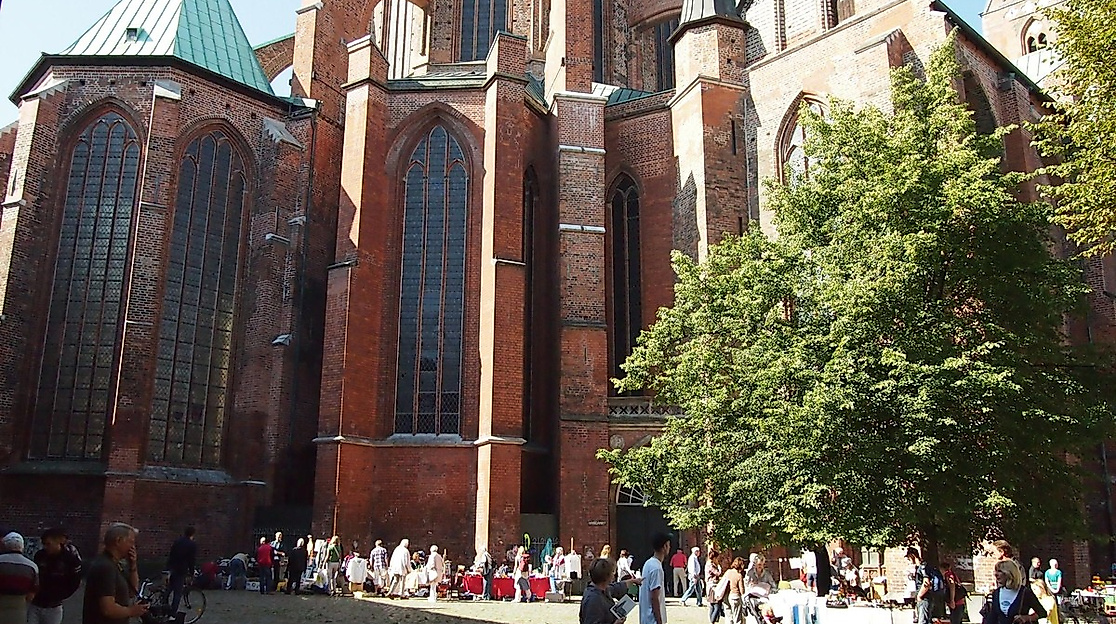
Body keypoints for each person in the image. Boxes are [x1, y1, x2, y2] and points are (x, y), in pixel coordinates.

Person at [83, 523, 149, 624]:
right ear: (118, 541)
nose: (133, 547)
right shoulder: (105, 567)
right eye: (131, 542)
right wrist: (132, 611)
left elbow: (131, 592)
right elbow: (108, 609)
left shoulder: (115, 564)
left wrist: (133, 566)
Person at [29, 527, 82, 624]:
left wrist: (59, 595)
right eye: (44, 544)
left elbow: (74, 582)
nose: (45, 547)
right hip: (36, 603)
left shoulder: (70, 559)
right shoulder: (40, 556)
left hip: (54, 605)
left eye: (48, 544)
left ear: (58, 542)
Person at [579, 557, 643, 624]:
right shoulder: (593, 599)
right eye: (612, 572)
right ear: (607, 576)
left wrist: (633, 581)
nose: (613, 574)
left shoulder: (601, 589)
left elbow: (616, 587)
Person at [981, 559, 1046, 624]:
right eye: (995, 571)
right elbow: (992, 617)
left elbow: (1042, 613)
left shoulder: (1025, 592)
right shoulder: (996, 593)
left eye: (999, 571)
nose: (996, 574)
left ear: (1009, 573)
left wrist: (1026, 618)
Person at [0, 532, 38, 624]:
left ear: (5, 545)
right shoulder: (32, 566)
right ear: (22, 546)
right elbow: (32, 593)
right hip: (19, 606)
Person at [166, 526, 197, 622]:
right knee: (177, 593)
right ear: (192, 534)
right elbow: (191, 560)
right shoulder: (192, 544)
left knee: (168, 589)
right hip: (181, 570)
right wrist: (192, 572)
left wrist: (168, 567)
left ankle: (163, 608)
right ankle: (172, 615)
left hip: (172, 568)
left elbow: (171, 554)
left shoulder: (177, 541)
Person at [639, 533, 671, 624]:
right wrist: (659, 621)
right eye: (668, 545)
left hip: (646, 618)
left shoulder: (648, 563)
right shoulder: (656, 568)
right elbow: (654, 597)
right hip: (652, 620)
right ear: (664, 546)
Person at [907, 546, 943, 624]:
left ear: (912, 556)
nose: (908, 560)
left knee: (923, 622)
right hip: (927, 597)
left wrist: (919, 595)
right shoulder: (921, 567)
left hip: (924, 598)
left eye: (909, 558)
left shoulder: (922, 567)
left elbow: (926, 582)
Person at [722, 557, 746, 624]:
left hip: (729, 596)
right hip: (736, 596)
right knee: (737, 617)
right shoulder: (739, 575)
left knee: (729, 615)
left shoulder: (729, 572)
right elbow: (741, 590)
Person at [705, 549, 724, 624]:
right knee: (716, 605)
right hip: (713, 587)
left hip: (711, 586)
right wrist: (719, 567)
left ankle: (712, 620)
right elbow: (718, 573)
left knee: (712, 605)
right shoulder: (711, 565)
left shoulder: (709, 564)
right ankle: (712, 621)